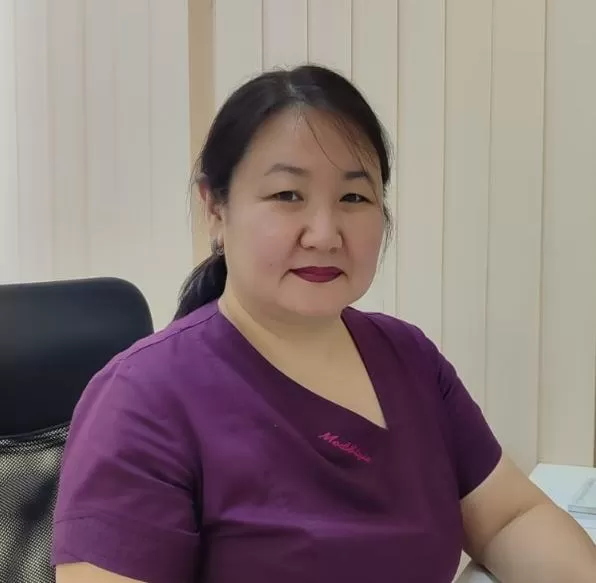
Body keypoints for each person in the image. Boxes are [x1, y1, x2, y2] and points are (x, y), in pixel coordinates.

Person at [52, 65, 595, 583]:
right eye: (287, 195)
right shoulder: (142, 400)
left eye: (354, 197)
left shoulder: (409, 359)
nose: (324, 233)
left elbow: (508, 518)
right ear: (215, 208)